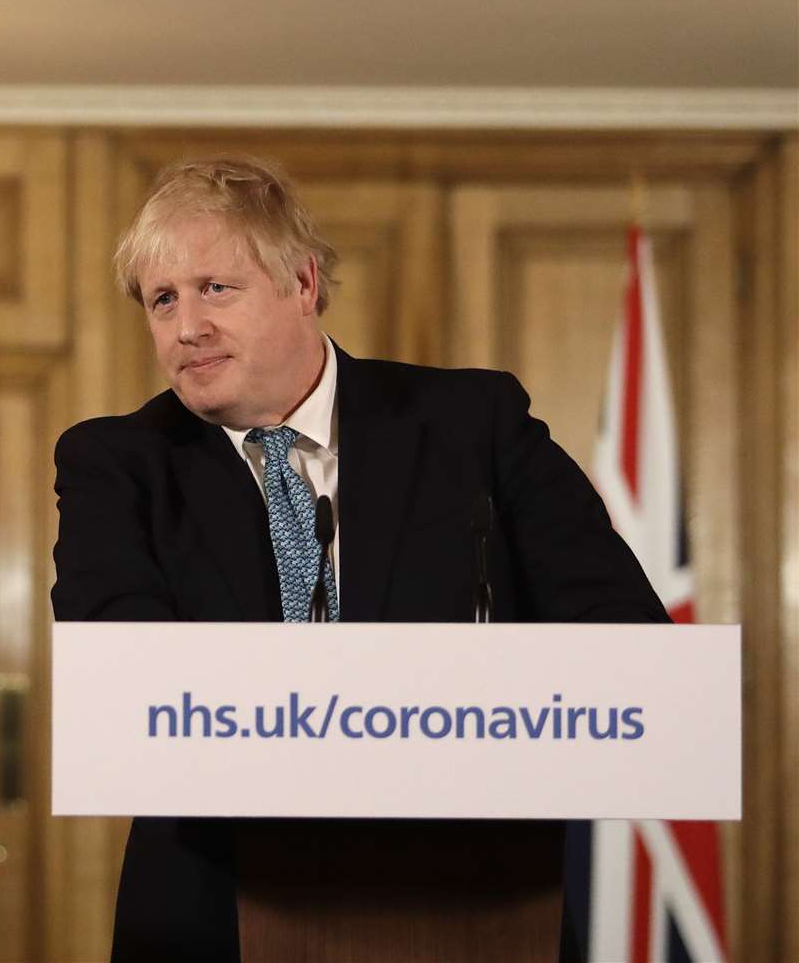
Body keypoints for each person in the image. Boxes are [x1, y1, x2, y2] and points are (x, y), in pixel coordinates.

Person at [49, 156, 668, 961]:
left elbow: (624, 636)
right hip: (215, 908)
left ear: (303, 284)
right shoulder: (115, 463)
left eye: (215, 288)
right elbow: (125, 676)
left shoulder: (472, 425)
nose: (186, 325)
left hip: (474, 902)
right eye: (162, 299)